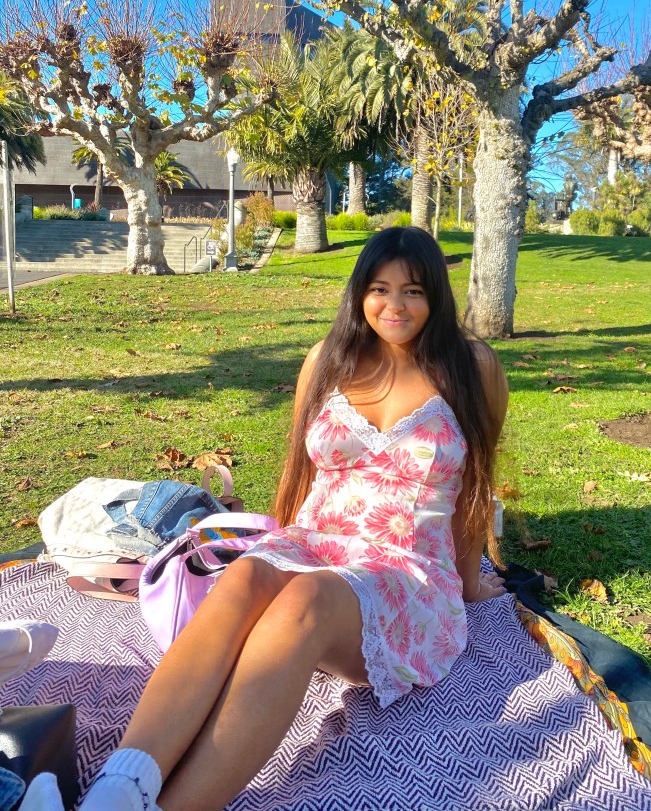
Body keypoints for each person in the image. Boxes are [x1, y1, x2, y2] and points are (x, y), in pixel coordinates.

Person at [22, 226, 509, 811]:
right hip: (317, 540)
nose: (394, 305)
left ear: (438, 296)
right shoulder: (328, 361)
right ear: (359, 294)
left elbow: (473, 486)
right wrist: (269, 549)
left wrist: (472, 580)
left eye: (413, 290)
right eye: (379, 289)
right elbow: (298, 478)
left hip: (404, 570)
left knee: (307, 601)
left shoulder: (471, 367)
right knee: (248, 577)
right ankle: (118, 792)